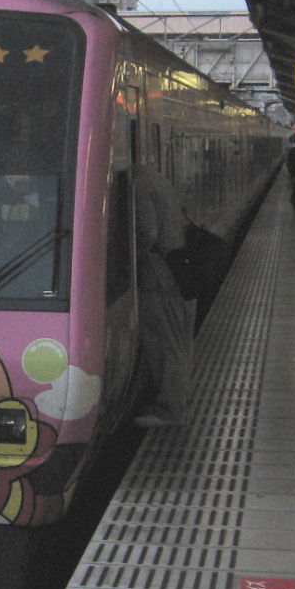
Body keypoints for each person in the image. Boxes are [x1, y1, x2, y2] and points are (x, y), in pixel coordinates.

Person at [132, 164, 196, 428]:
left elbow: (148, 233)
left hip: (162, 277)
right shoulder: (158, 178)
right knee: (180, 342)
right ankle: (178, 400)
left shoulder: (138, 185)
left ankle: (170, 410)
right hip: (181, 270)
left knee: (168, 343)